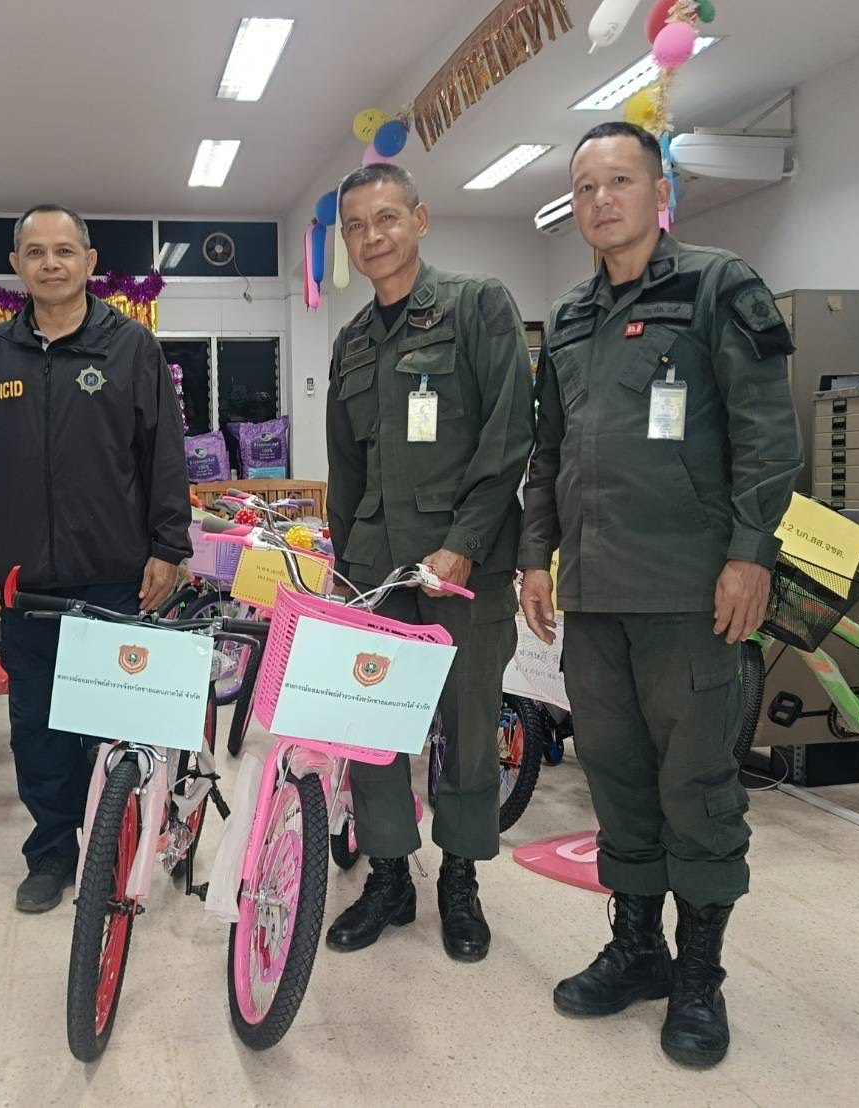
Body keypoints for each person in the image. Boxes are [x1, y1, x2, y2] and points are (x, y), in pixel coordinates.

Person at [519, 122, 800, 1067]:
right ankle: (637, 948)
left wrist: (750, 555)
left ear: (657, 191)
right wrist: (534, 556)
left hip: (691, 593)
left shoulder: (719, 286)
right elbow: (548, 453)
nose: (601, 200)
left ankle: (698, 976)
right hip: (595, 597)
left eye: (619, 181)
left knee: (696, 785)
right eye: (584, 187)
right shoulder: (567, 318)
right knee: (616, 777)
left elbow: (767, 437)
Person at [0, 204, 191, 913]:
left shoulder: (131, 348)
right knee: (38, 728)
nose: (50, 263)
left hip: (116, 576)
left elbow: (163, 455)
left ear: (89, 261)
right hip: (28, 585)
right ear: (16, 265)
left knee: (113, 726)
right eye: (35, 252)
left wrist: (168, 546)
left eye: (64, 250)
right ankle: (52, 851)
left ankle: (111, 846)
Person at [324, 164, 534, 962]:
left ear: (419, 219)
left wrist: (467, 542)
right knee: (371, 726)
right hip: (375, 568)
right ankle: (388, 877)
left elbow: (508, 434)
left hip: (462, 568)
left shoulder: (476, 305)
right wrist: (343, 570)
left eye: (386, 218)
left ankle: (459, 877)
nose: (372, 237)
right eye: (356, 226)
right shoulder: (351, 342)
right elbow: (345, 470)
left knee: (467, 726)